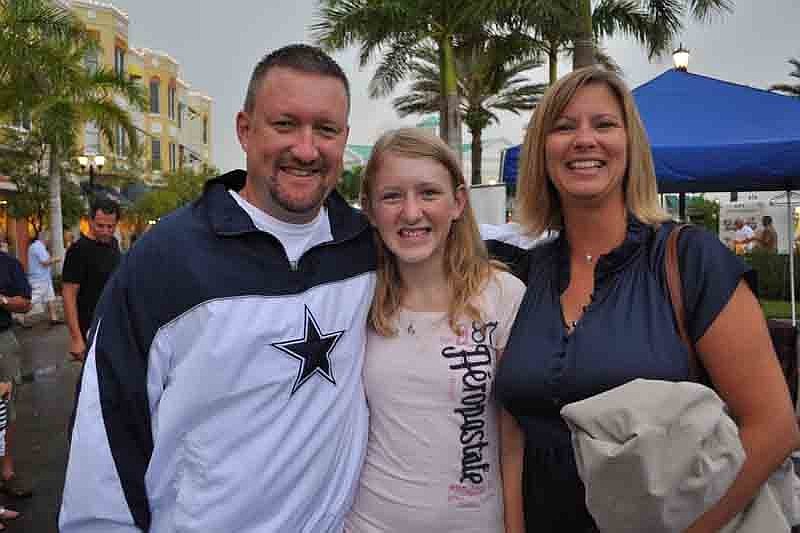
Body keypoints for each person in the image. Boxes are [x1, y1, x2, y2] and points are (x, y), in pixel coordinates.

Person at [59, 44, 376, 533]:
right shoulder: (165, 260)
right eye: (285, 124)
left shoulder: (365, 249)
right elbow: (104, 439)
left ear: (344, 139)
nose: (306, 149)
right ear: (245, 130)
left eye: (326, 129)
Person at [491, 66, 800, 533]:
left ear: (630, 145)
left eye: (604, 124)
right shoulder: (523, 276)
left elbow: (773, 428)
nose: (584, 140)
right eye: (564, 127)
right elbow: (511, 431)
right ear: (542, 151)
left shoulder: (689, 260)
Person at [343, 129, 526, 532]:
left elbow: (512, 441)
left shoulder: (503, 296)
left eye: (428, 193)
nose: (411, 213)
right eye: (392, 196)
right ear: (369, 208)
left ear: (458, 202)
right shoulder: (356, 301)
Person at [61, 198, 121, 361]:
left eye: (110, 227)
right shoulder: (78, 250)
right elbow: (68, 295)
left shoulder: (114, 244)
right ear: (90, 221)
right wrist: (76, 339)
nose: (105, 231)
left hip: (112, 327)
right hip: (89, 330)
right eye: (100, 226)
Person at [0, 247, 32, 499]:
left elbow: (25, 303)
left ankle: (6, 474)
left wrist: (3, 301)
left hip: (2, 342)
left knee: (6, 409)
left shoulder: (8, 264)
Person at [25, 231, 61, 326]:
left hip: (44, 278)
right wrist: (57, 259)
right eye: (49, 238)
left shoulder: (36, 246)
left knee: (50, 298)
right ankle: (22, 316)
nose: (50, 240)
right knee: (33, 299)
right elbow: (45, 262)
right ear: (45, 238)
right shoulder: (39, 247)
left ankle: (54, 318)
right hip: (39, 279)